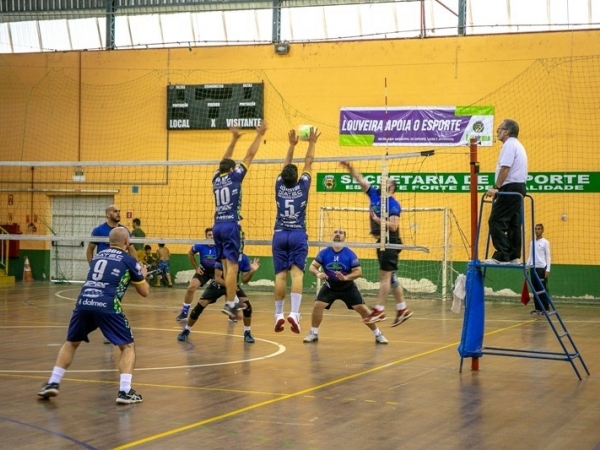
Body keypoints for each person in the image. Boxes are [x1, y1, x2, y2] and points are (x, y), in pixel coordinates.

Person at [37, 227, 149, 404]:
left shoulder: (98, 257)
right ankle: (125, 392)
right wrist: (143, 275)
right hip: (107, 304)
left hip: (84, 302)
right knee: (127, 347)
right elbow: (144, 292)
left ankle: (53, 382)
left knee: (71, 343)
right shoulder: (129, 260)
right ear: (127, 242)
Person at [340, 161, 412, 327]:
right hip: (381, 241)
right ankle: (402, 309)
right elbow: (361, 181)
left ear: (392, 188)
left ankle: (379, 310)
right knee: (391, 277)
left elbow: (394, 226)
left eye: (385, 182)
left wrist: (377, 220)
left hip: (390, 240)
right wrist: (350, 168)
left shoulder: (393, 204)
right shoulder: (375, 196)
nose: (381, 183)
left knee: (385, 277)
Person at [212, 122, 268, 320]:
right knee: (232, 268)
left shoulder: (216, 178)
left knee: (227, 266)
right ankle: (229, 303)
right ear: (233, 168)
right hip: (230, 225)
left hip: (217, 225)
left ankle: (233, 301)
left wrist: (234, 139)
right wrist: (259, 135)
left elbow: (224, 161)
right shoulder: (236, 176)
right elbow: (249, 156)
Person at [303, 229, 388, 344]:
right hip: (330, 286)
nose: (338, 234)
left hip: (347, 287)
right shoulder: (324, 253)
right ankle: (313, 333)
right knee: (318, 305)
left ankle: (378, 334)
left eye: (341, 232)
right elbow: (312, 267)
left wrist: (346, 277)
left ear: (345, 237)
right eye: (335, 232)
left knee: (362, 309)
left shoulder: (350, 254)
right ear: (332, 235)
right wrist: (318, 273)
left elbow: (358, 271)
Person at [272, 127, 319, 334]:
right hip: (298, 234)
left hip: (280, 234)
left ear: (283, 176)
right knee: (297, 275)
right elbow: (308, 162)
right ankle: (295, 313)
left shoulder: (278, 185)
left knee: (280, 276)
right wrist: (312, 142)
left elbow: (286, 165)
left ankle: (278, 314)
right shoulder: (303, 187)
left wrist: (291, 145)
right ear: (297, 177)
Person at [177, 251, 261, 344]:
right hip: (217, 285)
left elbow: (245, 280)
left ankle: (247, 333)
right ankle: (186, 330)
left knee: (247, 306)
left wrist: (252, 271)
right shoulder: (223, 256)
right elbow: (217, 278)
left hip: (233, 286)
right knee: (199, 307)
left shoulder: (243, 258)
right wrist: (230, 286)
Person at [87, 204, 138, 344]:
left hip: (118, 271)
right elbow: (90, 249)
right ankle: (90, 326)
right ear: (108, 214)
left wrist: (136, 267)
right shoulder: (99, 230)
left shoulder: (124, 230)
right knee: (103, 300)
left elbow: (132, 249)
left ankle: (107, 330)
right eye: (115, 211)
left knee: (114, 300)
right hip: (103, 272)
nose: (118, 213)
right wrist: (92, 265)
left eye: (119, 211)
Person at [484, 119, 528, 265]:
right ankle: (514, 256)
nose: (497, 131)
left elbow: (505, 168)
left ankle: (502, 256)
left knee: (495, 221)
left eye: (499, 128)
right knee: (513, 223)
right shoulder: (517, 145)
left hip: (510, 188)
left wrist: (496, 187)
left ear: (506, 131)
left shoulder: (509, 145)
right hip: (519, 187)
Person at [176, 228, 217, 321]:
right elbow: (190, 254)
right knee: (191, 288)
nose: (212, 236)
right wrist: (196, 267)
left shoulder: (220, 246)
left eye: (213, 235)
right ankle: (184, 313)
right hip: (204, 271)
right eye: (209, 235)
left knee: (227, 289)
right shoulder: (200, 245)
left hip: (217, 271)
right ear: (206, 237)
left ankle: (232, 312)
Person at [526, 223, 551, 314]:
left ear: (542, 230)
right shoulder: (532, 242)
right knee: (535, 289)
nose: (537, 230)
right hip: (533, 268)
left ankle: (546, 308)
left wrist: (547, 269)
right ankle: (538, 308)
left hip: (541, 268)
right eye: (536, 229)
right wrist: (527, 266)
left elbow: (548, 257)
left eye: (539, 229)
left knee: (542, 288)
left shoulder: (545, 242)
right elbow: (530, 256)